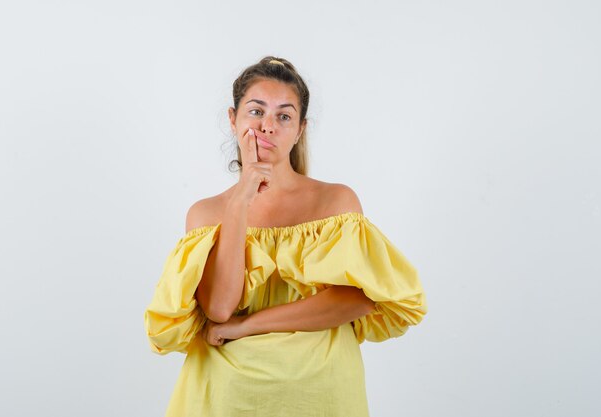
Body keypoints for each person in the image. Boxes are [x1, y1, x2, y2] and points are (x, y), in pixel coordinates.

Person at [144, 56, 428, 417]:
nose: (267, 127)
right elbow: (218, 308)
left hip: (321, 395)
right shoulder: (205, 214)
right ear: (233, 120)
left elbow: (359, 300)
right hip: (226, 398)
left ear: (300, 129)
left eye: (284, 116)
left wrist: (246, 326)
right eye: (256, 111)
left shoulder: (336, 201)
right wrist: (239, 204)